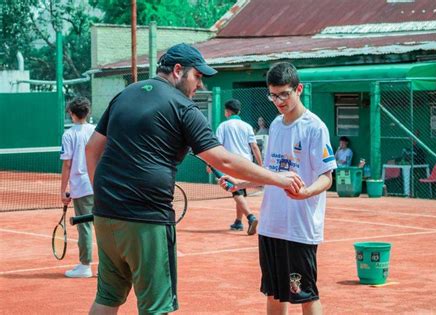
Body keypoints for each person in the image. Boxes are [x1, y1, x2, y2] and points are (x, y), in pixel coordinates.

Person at [85, 43, 303, 315]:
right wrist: (278, 179)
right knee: (155, 307)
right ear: (178, 70)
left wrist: (102, 194)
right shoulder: (184, 108)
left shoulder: (124, 95)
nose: (199, 85)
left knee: (108, 297)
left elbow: (92, 148)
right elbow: (223, 160)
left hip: (105, 215)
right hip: (146, 219)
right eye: (197, 77)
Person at [219, 62, 337, 315]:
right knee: (274, 293)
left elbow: (327, 177)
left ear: (299, 89)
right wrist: (241, 183)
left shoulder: (315, 127)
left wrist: (305, 192)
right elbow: (272, 174)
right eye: (273, 95)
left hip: (299, 227)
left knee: (306, 294)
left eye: (285, 94)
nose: (279, 100)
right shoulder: (274, 124)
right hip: (271, 225)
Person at [60, 96, 95, 278]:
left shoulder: (69, 135)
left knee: (85, 226)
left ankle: (85, 266)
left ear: (72, 114)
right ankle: (108, 268)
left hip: (82, 187)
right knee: (106, 226)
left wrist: (62, 191)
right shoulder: (97, 131)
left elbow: (67, 165)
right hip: (101, 185)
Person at [216, 99, 263, 235]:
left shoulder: (223, 126)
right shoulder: (247, 126)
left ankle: (250, 217)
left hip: (231, 165)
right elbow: (254, 146)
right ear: (239, 111)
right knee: (240, 190)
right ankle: (238, 221)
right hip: (246, 164)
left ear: (227, 111)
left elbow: (218, 147)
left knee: (236, 191)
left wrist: (212, 163)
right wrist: (260, 166)